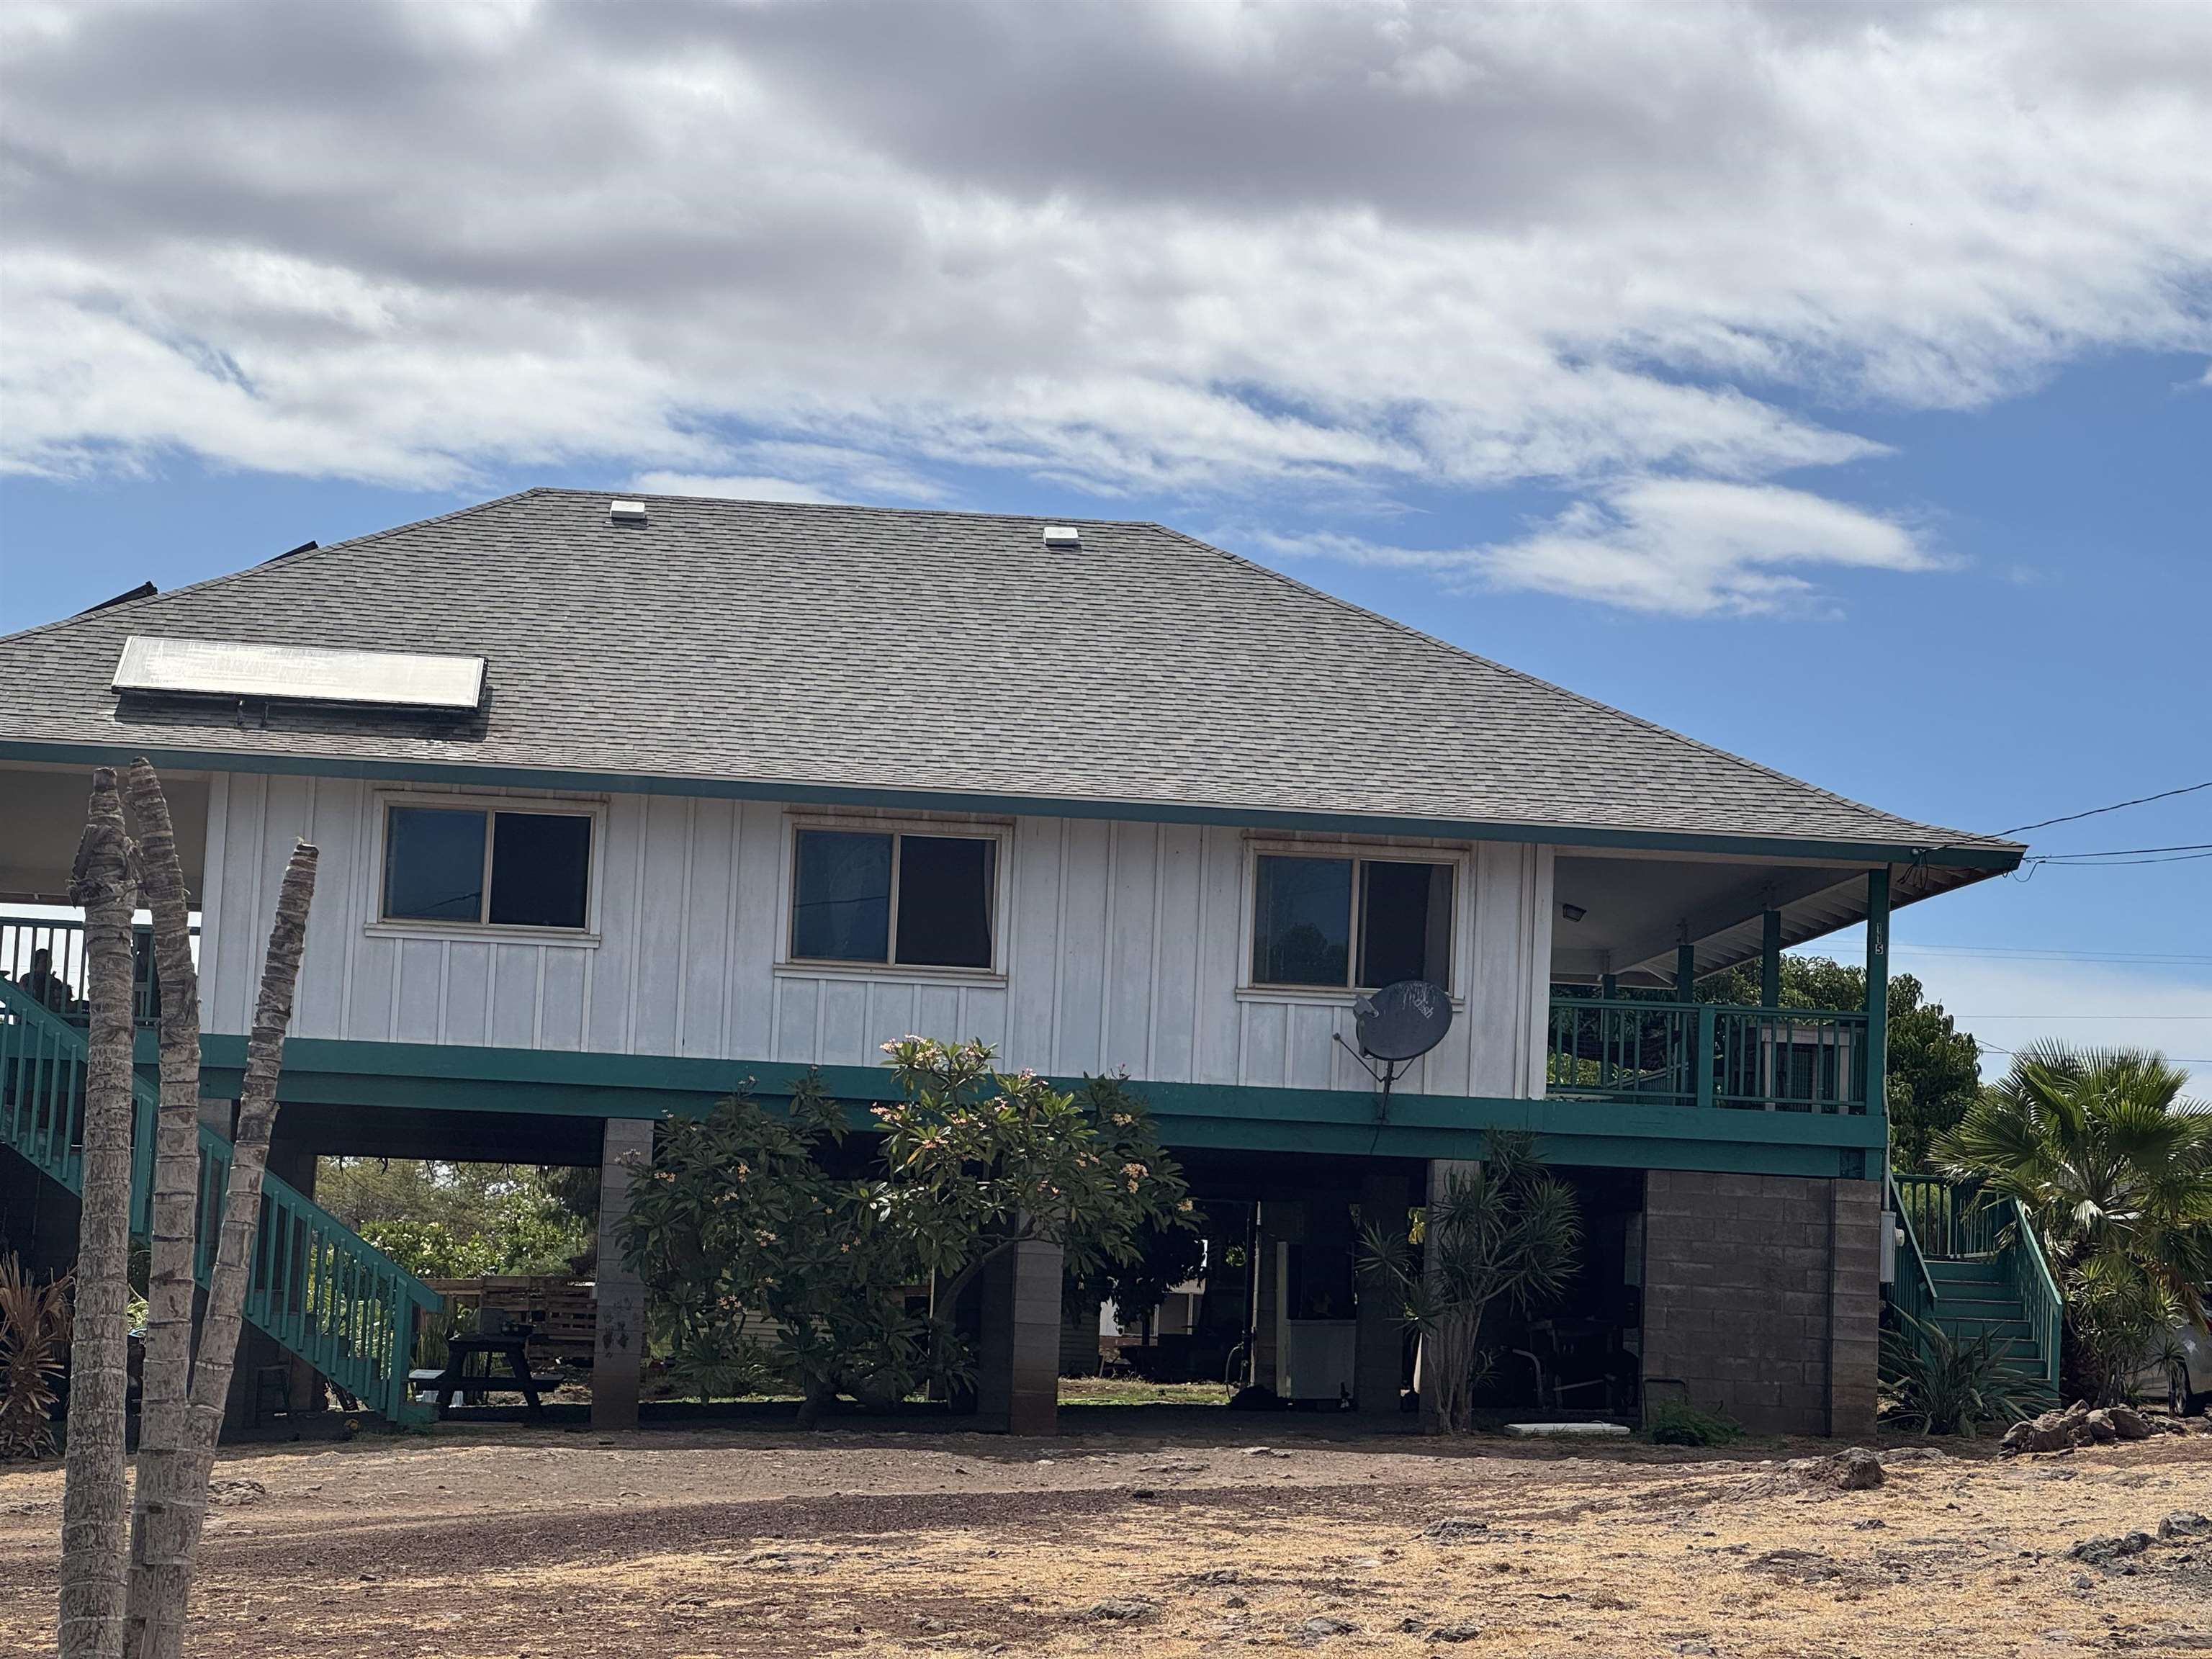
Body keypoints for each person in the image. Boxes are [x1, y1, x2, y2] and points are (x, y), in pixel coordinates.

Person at [17, 948, 76, 1012]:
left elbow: (62, 1002)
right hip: (32, 1014)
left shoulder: (55, 982)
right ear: (36, 963)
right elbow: (28, 998)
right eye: (45, 961)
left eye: (50, 961)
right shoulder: (27, 979)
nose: (48, 964)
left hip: (52, 1016)